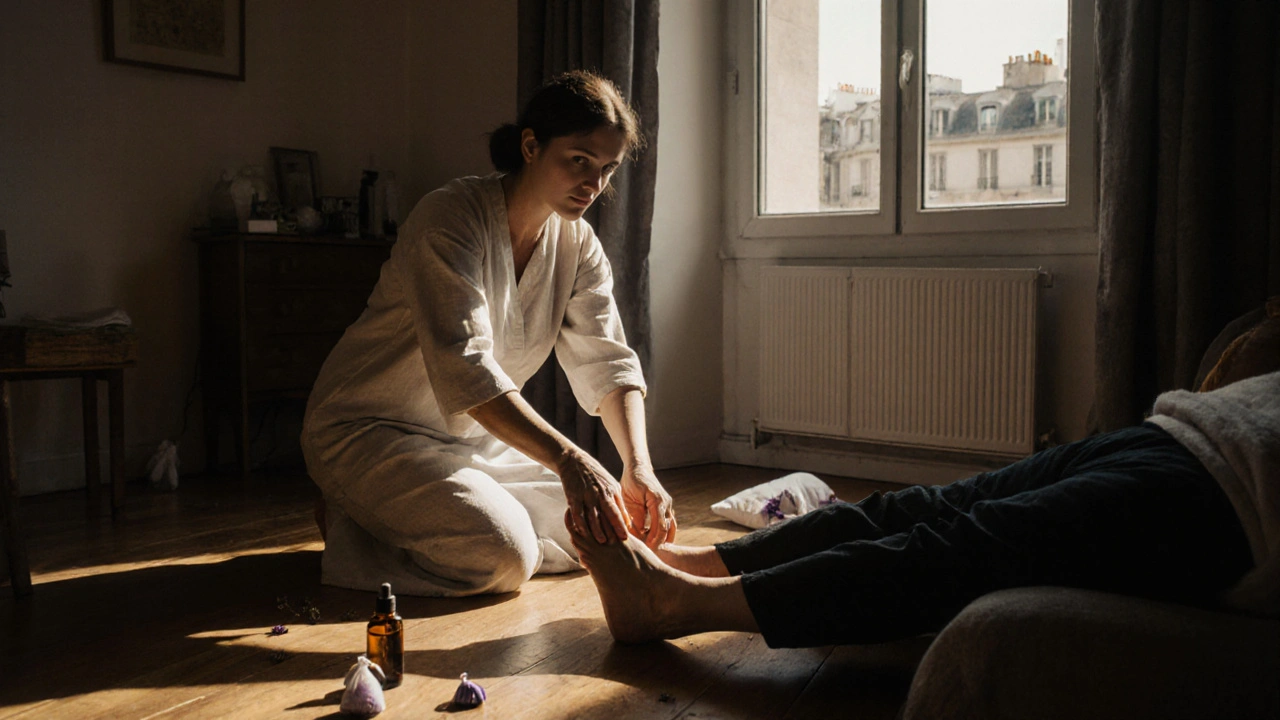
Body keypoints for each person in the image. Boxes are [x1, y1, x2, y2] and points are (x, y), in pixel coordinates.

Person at [570, 368, 1280, 647]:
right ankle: (695, 562)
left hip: (1233, 498)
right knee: (914, 507)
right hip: (1187, 430)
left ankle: (678, 606)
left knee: (960, 548)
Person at [301, 70, 676, 598]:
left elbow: (608, 362)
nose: (594, 185)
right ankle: (351, 523)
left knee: (609, 526)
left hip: (470, 443)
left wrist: (639, 466)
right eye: (579, 161)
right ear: (530, 146)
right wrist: (570, 460)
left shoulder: (579, 244)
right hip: (367, 431)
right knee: (503, 557)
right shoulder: (448, 219)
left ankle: (421, 517)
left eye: (608, 169)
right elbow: (466, 367)